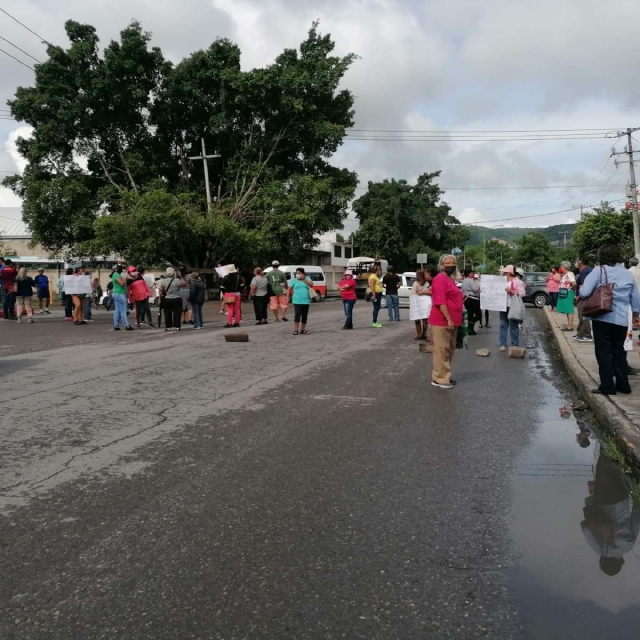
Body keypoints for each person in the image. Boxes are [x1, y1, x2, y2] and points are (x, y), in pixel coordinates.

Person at [580, 244, 640, 395]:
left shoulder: (598, 271)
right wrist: (635, 314)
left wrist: (581, 288)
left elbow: (586, 292)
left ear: (601, 256)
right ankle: (623, 385)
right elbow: (635, 296)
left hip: (603, 317)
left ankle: (607, 386)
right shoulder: (627, 273)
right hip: (622, 319)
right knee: (619, 352)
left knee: (604, 352)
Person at [429, 255, 464, 389]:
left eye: (453, 262)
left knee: (449, 349)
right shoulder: (440, 279)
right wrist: (449, 318)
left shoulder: (449, 279)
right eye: (448, 262)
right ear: (441, 264)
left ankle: (443, 375)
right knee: (441, 350)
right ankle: (440, 378)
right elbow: (440, 301)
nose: (451, 264)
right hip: (442, 321)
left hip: (452, 321)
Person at [498, 265, 526, 352]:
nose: (503, 273)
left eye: (505, 272)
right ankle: (502, 344)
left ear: (509, 273)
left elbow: (522, 293)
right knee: (503, 325)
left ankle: (515, 344)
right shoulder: (501, 281)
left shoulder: (518, 282)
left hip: (512, 306)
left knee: (513, 326)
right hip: (503, 306)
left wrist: (512, 291)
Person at [158, 266, 188, 331]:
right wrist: (181, 276)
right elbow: (185, 284)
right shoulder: (177, 280)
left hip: (167, 299)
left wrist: (160, 297)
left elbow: (161, 290)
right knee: (177, 313)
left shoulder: (163, 281)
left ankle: (168, 326)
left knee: (167, 313)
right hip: (177, 298)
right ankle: (177, 326)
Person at [574, 257, 594, 343]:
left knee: (583, 316)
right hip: (585, 297)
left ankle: (586, 334)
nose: (576, 262)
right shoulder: (586, 270)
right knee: (581, 316)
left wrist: (578, 296)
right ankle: (580, 333)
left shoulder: (585, 271)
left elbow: (583, 286)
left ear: (580, 262)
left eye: (577, 260)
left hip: (584, 298)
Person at [288, 267, 313, 335]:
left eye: (299, 273)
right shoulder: (293, 280)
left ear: (303, 273)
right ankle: (296, 329)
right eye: (296, 273)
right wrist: (287, 298)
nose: (297, 274)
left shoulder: (307, 278)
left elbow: (311, 285)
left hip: (305, 300)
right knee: (297, 314)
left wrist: (304, 279)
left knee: (304, 315)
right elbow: (289, 289)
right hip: (297, 300)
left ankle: (303, 329)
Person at [111, 265, 134, 331]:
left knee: (117, 310)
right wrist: (125, 278)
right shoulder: (116, 275)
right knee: (123, 310)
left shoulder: (116, 274)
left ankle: (116, 325)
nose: (123, 270)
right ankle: (127, 325)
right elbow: (121, 284)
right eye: (122, 268)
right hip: (120, 293)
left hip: (116, 293)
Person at [557, 261, 577, 331]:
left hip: (568, 293)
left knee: (569, 310)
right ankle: (569, 325)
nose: (560, 268)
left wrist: (570, 288)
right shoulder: (564, 275)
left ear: (564, 267)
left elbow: (574, 283)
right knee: (567, 310)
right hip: (564, 293)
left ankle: (570, 326)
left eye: (561, 266)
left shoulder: (569, 274)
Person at [461, 268, 481, 335]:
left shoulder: (464, 281)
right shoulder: (470, 280)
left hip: (467, 299)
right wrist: (479, 287)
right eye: (472, 273)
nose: (473, 274)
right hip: (474, 299)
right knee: (478, 314)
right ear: (469, 274)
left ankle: (470, 330)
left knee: (470, 314)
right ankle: (471, 324)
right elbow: (475, 289)